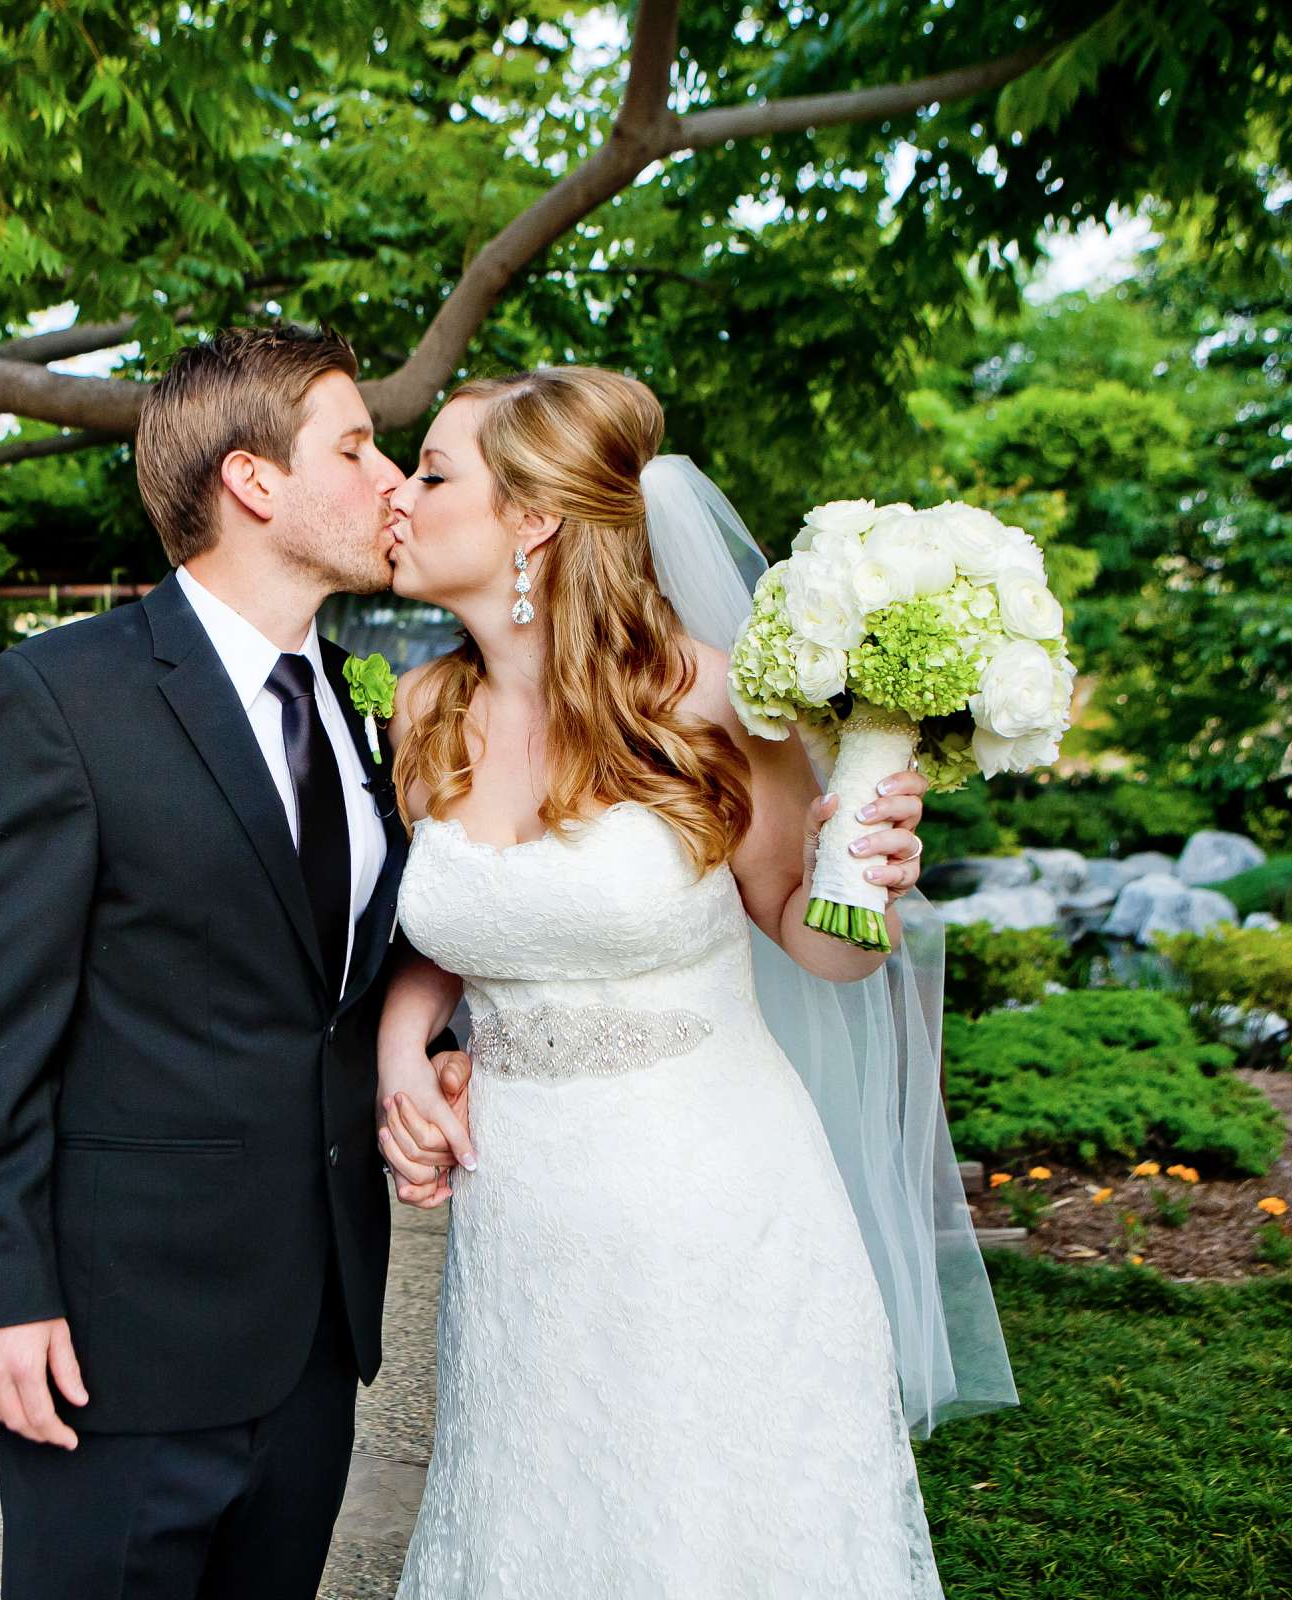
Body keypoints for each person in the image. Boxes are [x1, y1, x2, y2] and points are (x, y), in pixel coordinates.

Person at [373, 368, 1015, 1596]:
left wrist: (866, 878)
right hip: (522, 1223)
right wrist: (406, 1056)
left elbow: (811, 938)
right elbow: (453, 933)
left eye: (433, 472)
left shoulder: (714, 701)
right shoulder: (424, 711)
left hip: (711, 1209)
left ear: (534, 519)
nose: (398, 499)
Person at [0, 325, 464, 1600]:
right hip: (121, 1348)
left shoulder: (357, 704)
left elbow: (336, 978)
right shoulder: (64, 696)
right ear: (254, 482)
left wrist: (433, 1051)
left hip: (316, 1340)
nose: (392, 478)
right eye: (356, 446)